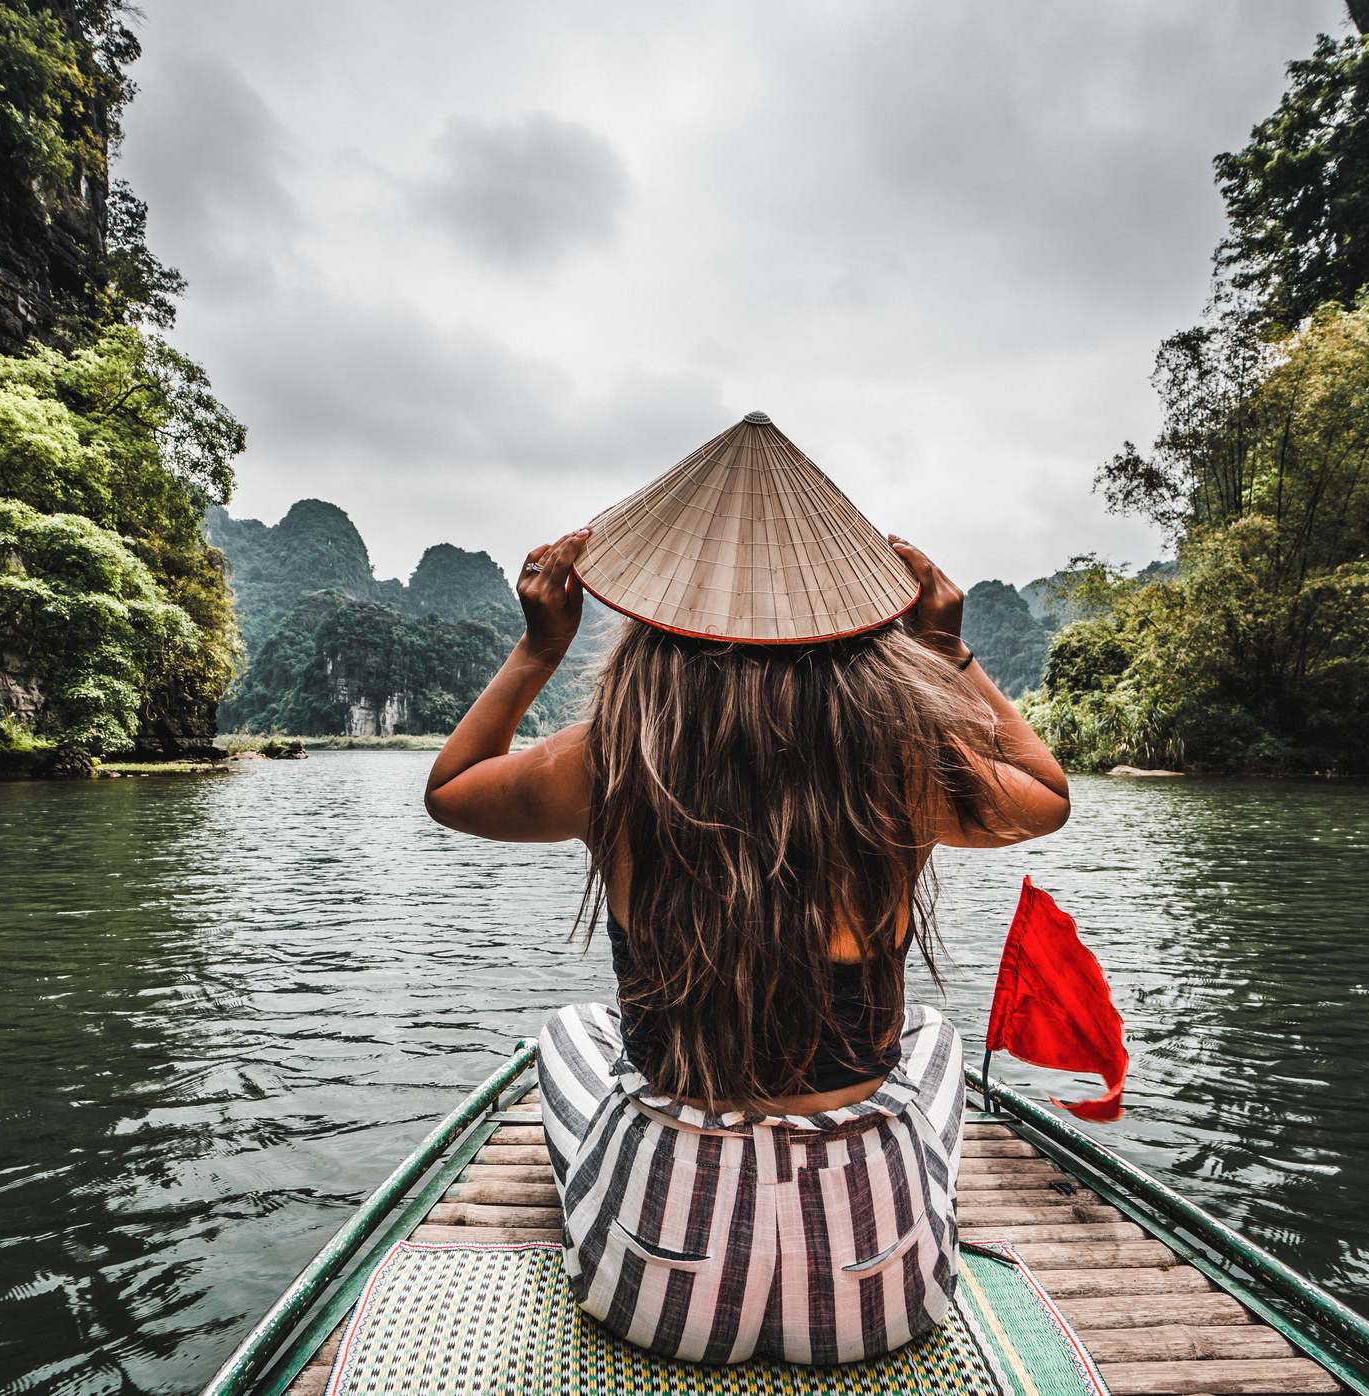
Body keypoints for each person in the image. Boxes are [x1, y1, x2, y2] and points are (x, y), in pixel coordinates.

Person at [423, 417, 1069, 1366]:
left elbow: (450, 791)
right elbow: (1046, 798)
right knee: (933, 1038)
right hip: (878, 1293)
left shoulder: (611, 756)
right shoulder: (905, 760)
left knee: (571, 1032)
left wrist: (538, 649)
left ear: (660, 612)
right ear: (851, 615)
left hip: (655, 1293)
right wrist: (948, 654)